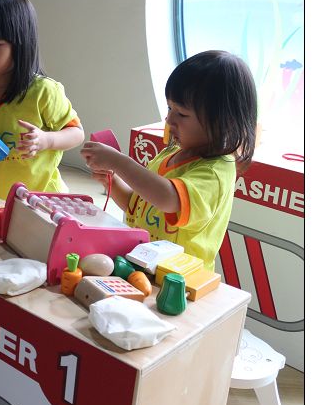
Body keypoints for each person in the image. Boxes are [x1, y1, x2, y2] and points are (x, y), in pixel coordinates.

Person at [80, 50, 258, 271]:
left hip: (179, 278)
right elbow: (138, 207)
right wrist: (113, 181)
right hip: (143, 264)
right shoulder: (169, 154)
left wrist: (119, 162)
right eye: (169, 108)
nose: (169, 119)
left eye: (181, 114)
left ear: (224, 122)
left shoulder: (216, 172)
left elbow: (168, 199)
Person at [0, 0, 84, 199]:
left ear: (20, 45)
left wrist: (46, 140)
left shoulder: (43, 91)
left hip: (43, 199)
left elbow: (76, 133)